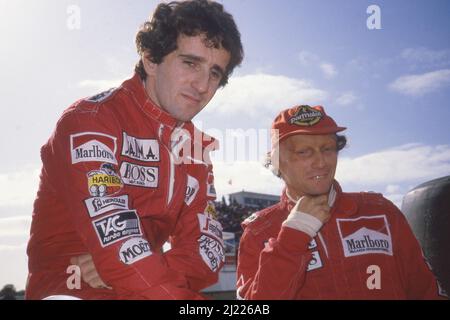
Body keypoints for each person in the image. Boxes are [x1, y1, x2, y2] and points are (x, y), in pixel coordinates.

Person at [26, 0, 243, 300]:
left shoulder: (195, 149)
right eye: (190, 63)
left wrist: (150, 265)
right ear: (151, 58)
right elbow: (116, 241)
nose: (203, 85)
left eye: (215, 73)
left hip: (147, 285)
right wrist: (127, 265)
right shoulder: (90, 122)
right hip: (71, 288)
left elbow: (208, 252)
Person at [236, 105, 447, 300]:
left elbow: (426, 290)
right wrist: (293, 238)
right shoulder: (258, 232)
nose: (321, 162)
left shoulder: (380, 212)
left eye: (327, 149)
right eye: (304, 152)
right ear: (277, 162)